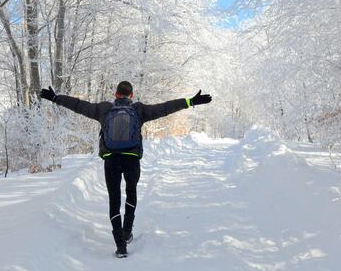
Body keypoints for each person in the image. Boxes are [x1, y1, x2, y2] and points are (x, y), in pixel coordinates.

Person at [40, 81, 212, 258]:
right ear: (131, 96)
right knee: (131, 192)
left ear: (115, 95)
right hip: (131, 160)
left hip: (111, 160)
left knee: (114, 200)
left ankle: (120, 246)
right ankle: (127, 231)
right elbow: (165, 108)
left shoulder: (104, 109)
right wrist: (191, 101)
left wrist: (55, 98)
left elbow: (79, 105)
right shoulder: (139, 110)